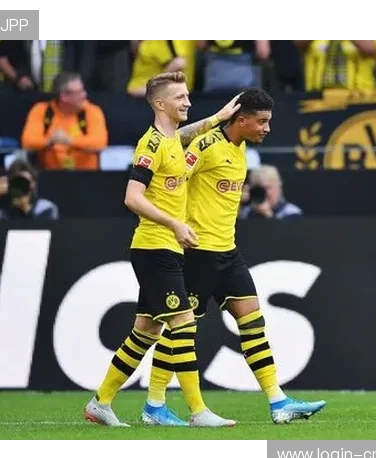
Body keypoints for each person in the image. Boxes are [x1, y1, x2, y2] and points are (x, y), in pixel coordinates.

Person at [144, 89, 326, 425]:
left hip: (228, 253)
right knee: (179, 331)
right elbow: (171, 180)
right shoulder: (205, 145)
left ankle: (278, 402)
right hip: (197, 253)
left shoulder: (241, 150)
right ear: (241, 120)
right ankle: (154, 404)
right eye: (262, 121)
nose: (267, 128)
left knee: (253, 323)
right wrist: (175, 226)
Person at [84, 71, 243, 428]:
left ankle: (101, 403)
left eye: (187, 96)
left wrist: (217, 118)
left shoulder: (171, 138)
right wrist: (174, 223)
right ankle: (198, 411)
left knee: (145, 331)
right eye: (180, 97)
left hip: (165, 248)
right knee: (184, 323)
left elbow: (183, 135)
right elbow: (132, 198)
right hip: (155, 247)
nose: (187, 102)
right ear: (160, 104)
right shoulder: (151, 145)